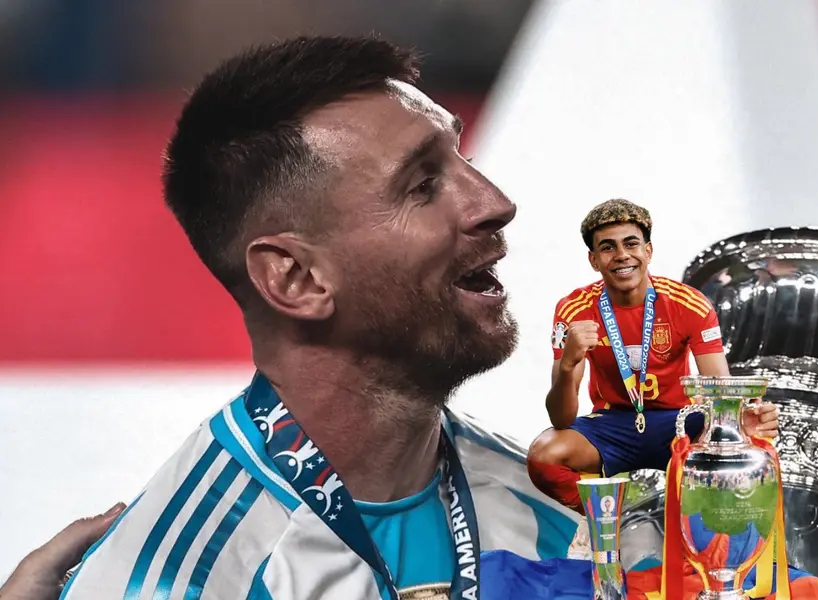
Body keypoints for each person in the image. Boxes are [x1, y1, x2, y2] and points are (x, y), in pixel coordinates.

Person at [41, 35, 576, 600]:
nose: (493, 202)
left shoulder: (572, 523)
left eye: (462, 159)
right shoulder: (183, 581)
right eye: (422, 186)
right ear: (296, 278)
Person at [525, 199, 779, 514]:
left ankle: (701, 541)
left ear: (648, 251)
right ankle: (618, 520)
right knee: (544, 454)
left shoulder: (690, 305)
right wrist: (568, 364)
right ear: (594, 260)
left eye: (631, 243)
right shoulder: (574, 309)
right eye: (608, 247)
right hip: (611, 424)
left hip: (679, 421)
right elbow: (560, 419)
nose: (621, 255)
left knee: (740, 446)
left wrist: (740, 423)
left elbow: (720, 391)